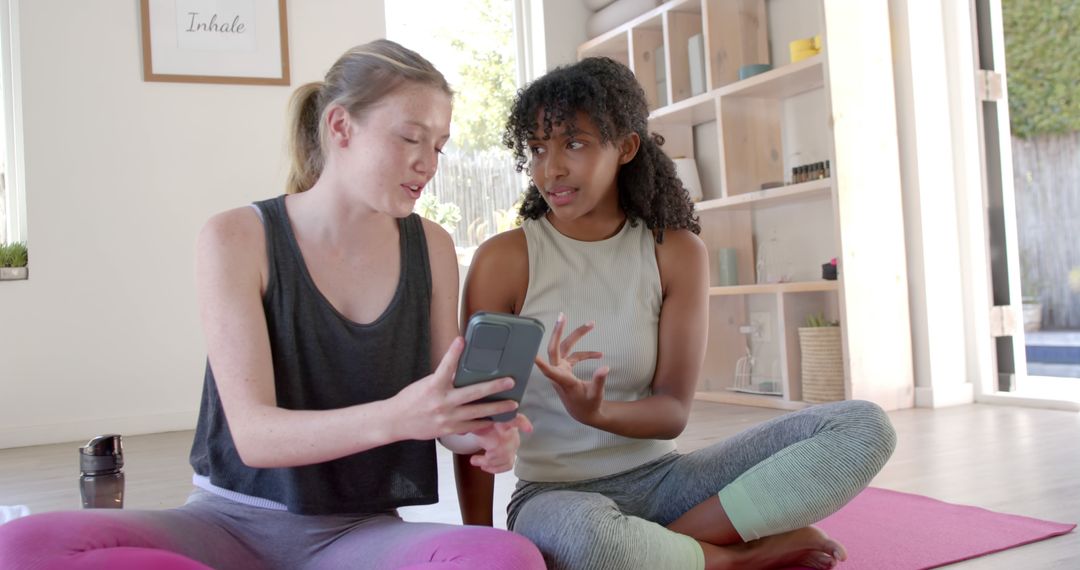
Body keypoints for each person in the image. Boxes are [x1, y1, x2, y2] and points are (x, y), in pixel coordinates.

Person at [0, 40, 543, 570]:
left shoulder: (432, 246)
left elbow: (440, 413)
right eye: (409, 138)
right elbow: (255, 436)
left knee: (505, 557)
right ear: (339, 126)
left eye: (439, 146)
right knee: (23, 545)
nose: (428, 163)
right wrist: (399, 417)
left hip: (359, 533)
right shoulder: (236, 237)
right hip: (224, 525)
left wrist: (483, 435)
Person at [456, 56, 897, 570]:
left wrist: (595, 414)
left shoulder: (676, 253)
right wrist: (481, 548)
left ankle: (667, 552)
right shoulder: (505, 261)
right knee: (592, 539)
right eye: (537, 148)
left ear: (625, 146)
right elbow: (475, 421)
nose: (550, 168)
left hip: (666, 481)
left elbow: (671, 414)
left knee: (864, 428)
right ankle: (736, 560)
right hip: (556, 500)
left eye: (573, 143)